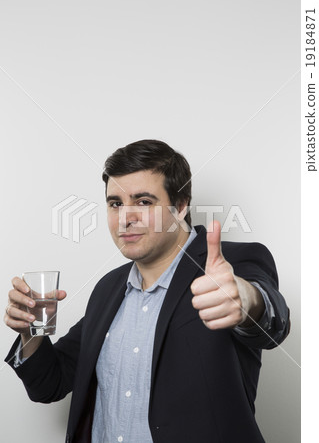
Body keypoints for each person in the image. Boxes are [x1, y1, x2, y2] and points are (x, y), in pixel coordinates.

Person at [4, 140, 290, 443]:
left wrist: (246, 301)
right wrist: (30, 330)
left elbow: (271, 321)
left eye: (143, 202)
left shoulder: (232, 266)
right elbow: (51, 383)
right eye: (115, 204)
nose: (125, 218)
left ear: (180, 207)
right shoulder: (108, 289)